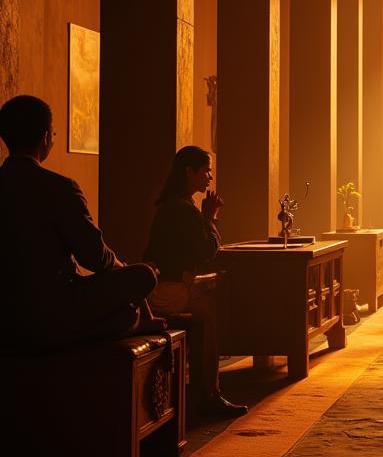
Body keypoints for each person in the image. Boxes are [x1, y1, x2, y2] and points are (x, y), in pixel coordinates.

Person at [0, 94, 160, 348]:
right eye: (52, 134)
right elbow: (94, 258)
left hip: (6, 317)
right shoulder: (59, 188)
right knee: (144, 275)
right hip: (54, 310)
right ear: (45, 138)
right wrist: (122, 265)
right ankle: (130, 321)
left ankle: (127, 320)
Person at [145, 146, 247, 417]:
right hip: (169, 291)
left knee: (208, 298)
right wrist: (210, 220)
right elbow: (205, 251)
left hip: (160, 287)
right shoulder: (183, 209)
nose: (210, 177)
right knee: (210, 314)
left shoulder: (173, 205)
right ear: (189, 172)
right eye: (206, 170)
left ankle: (206, 389)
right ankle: (209, 394)